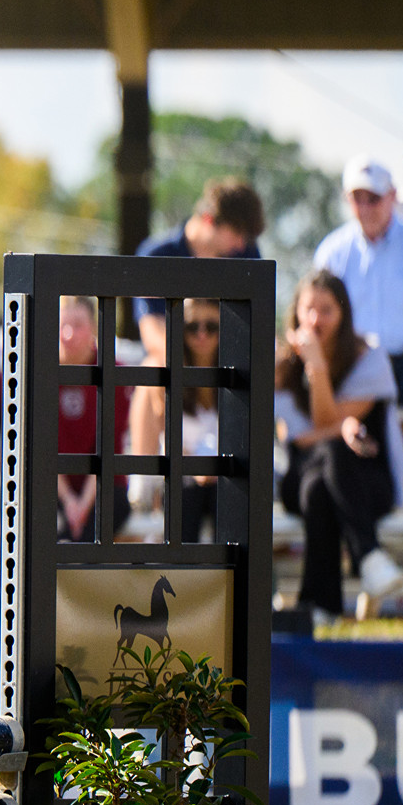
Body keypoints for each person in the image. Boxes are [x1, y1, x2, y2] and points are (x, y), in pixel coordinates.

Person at [274, 271, 403, 623]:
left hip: (366, 483)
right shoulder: (283, 367)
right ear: (296, 312)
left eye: (327, 309)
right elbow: (303, 435)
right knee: (325, 462)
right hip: (298, 478)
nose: (316, 319)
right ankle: (369, 557)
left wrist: (317, 368)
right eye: (309, 309)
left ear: (345, 313)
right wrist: (314, 367)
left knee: (323, 481)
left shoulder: (370, 360)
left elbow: (321, 423)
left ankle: (319, 607)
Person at [312, 158, 403, 508]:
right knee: (323, 399)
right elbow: (314, 309)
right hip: (353, 360)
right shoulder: (333, 250)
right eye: (357, 197)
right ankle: (331, 481)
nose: (365, 206)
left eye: (373, 197)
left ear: (393, 197)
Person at [132, 177, 263, 360]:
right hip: (172, 370)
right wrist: (188, 370)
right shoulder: (156, 254)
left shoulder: (246, 253)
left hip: (229, 373)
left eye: (247, 238)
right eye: (236, 232)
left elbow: (256, 327)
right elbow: (152, 329)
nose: (241, 245)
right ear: (209, 219)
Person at [128, 298, 222, 541]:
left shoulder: (238, 372)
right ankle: (181, 576)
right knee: (183, 495)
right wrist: (196, 467)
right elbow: (162, 441)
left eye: (212, 326)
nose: (202, 334)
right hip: (181, 475)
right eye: (192, 326)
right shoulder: (162, 371)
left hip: (224, 475)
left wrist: (213, 468)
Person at [55, 296, 130, 543]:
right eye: (62, 325)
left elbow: (107, 447)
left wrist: (82, 505)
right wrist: (68, 501)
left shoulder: (112, 371)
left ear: (93, 328)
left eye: (77, 325)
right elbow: (40, 446)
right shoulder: (42, 371)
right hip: (53, 484)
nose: (68, 334)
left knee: (98, 522)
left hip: (105, 485)